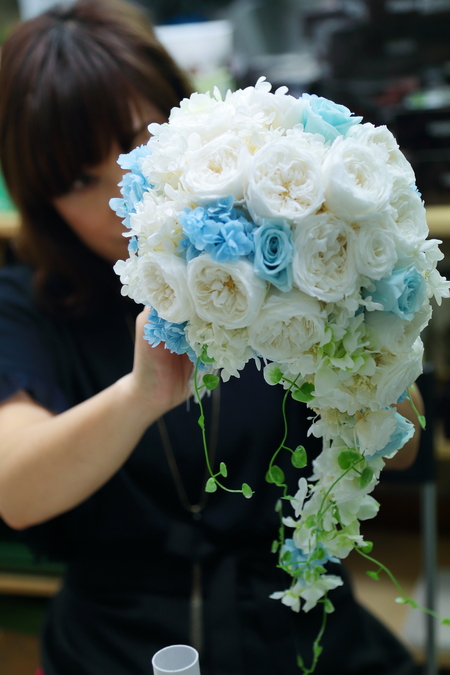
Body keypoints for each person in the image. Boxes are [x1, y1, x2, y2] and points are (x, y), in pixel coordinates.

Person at [0, 2, 423, 674]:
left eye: (135, 144)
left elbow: (405, 451)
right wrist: (140, 395)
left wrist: (341, 314)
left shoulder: (282, 253)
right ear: (41, 199)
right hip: (117, 642)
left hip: (299, 629)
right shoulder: (26, 303)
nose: (118, 195)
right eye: (80, 179)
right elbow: (15, 492)